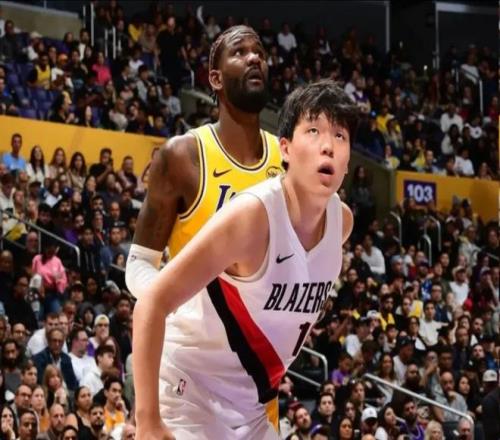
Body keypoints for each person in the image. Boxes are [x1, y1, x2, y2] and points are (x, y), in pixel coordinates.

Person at [133, 79, 358, 439]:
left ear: (348, 162)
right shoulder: (252, 217)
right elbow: (151, 303)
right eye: (314, 131)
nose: (328, 146)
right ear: (285, 149)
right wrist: (147, 423)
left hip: (250, 408)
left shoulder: (341, 223)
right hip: (189, 395)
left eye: (340, 136)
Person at [126, 25, 282, 298]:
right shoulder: (182, 156)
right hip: (193, 325)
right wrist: (179, 304)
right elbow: (140, 264)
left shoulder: (287, 158)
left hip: (263, 325)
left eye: (259, 52)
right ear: (216, 79)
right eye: (239, 52)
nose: (254, 58)